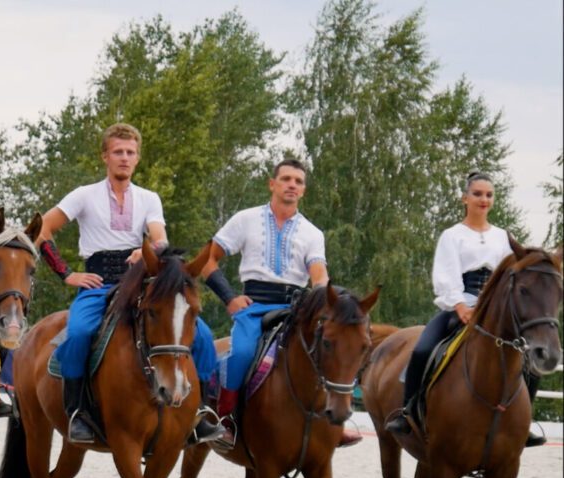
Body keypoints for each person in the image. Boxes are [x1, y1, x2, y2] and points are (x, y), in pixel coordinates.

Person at [36, 122, 224, 445]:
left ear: (137, 159)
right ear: (105, 156)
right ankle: (77, 412)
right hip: (96, 283)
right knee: (79, 333)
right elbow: (42, 229)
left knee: (203, 335)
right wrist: (67, 273)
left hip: (140, 282)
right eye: (118, 152)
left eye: (130, 152)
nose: (124, 157)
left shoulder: (149, 198)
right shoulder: (84, 195)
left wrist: (149, 249)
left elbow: (160, 237)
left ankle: (200, 412)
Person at [192, 159, 361, 448]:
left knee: (325, 351)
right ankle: (225, 419)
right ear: (272, 184)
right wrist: (230, 298)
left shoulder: (312, 233)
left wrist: (327, 296)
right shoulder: (245, 219)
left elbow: (318, 275)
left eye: (298, 181)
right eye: (286, 179)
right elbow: (207, 259)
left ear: (304, 190)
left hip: (296, 308)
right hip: (253, 306)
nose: (292, 185)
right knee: (242, 353)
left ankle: (333, 423)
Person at [386, 173, 546, 446]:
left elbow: (513, 275)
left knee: (529, 359)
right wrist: (459, 304)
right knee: (423, 348)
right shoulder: (452, 235)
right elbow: (445, 274)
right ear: (465, 198)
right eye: (478, 194)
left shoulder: (503, 238)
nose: (484, 199)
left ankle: (524, 422)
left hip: (497, 310)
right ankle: (408, 411)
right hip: (460, 304)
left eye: (488, 195)